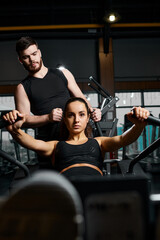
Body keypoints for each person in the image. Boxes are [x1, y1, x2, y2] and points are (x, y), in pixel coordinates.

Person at [3, 97, 150, 178]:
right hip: (67, 191)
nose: (76, 120)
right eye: (71, 115)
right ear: (65, 120)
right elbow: (33, 143)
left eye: (81, 115)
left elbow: (123, 140)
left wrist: (138, 125)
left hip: (95, 188)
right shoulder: (55, 145)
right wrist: (14, 129)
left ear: (87, 119)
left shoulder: (98, 142)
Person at [15, 36, 101, 168]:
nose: (32, 59)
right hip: (50, 145)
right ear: (21, 60)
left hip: (75, 139)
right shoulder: (22, 88)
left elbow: (82, 99)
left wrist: (93, 111)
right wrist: (48, 117)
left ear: (40, 52)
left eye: (34, 54)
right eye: (26, 57)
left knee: (84, 177)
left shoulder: (63, 74)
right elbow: (24, 120)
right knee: (55, 186)